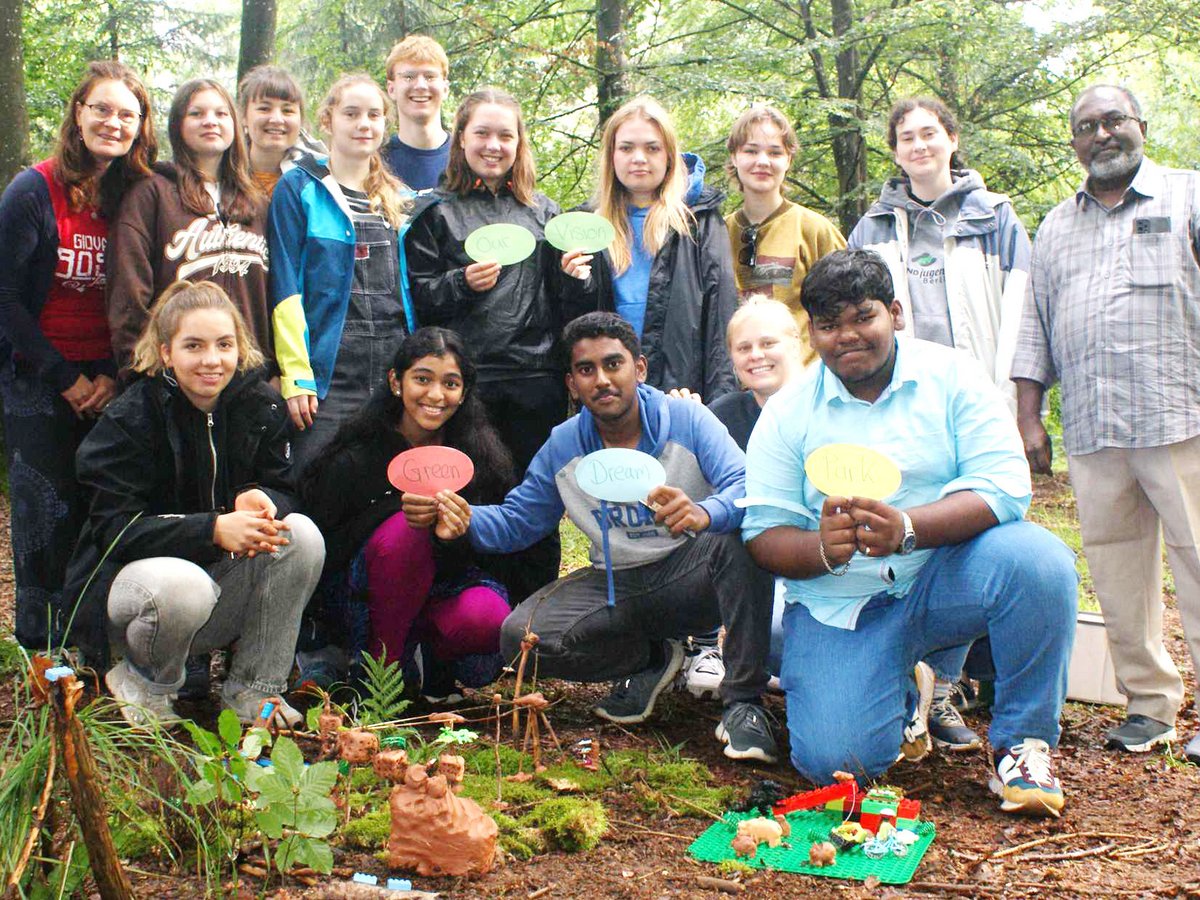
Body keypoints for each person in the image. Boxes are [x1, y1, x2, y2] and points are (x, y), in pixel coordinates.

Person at [742, 248, 1077, 816]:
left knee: (1039, 561)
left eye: (862, 317)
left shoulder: (952, 377)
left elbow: (1004, 487)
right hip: (843, 604)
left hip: (941, 577)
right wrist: (822, 548)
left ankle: (1022, 741)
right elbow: (762, 534)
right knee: (836, 760)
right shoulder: (788, 410)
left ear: (894, 312)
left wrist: (908, 528)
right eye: (828, 325)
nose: (847, 336)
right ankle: (909, 684)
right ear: (812, 333)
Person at [434, 311, 777, 762]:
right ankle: (652, 659)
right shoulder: (564, 444)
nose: (601, 380)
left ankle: (743, 704)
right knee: (522, 640)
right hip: (619, 584)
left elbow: (746, 486)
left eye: (613, 364)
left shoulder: (687, 420)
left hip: (693, 571)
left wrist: (703, 512)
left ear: (639, 368)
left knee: (742, 539)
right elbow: (520, 521)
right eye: (585, 370)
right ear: (572, 384)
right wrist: (466, 519)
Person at [1012, 84, 1200, 765]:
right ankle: (1150, 707)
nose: (1102, 134)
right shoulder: (1057, 226)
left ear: (1140, 126)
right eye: (1087, 126)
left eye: (1113, 120)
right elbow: (1034, 327)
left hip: (1181, 416)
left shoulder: (1188, 196)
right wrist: (1029, 415)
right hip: (1096, 430)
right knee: (1119, 574)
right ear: (1075, 142)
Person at [848, 95, 1034, 750]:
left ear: (952, 139)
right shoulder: (872, 225)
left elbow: (1021, 309)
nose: (919, 145)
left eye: (930, 133)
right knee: (915, 535)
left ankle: (948, 689)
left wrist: (1016, 400)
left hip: (979, 400)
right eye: (906, 136)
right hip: (905, 408)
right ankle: (911, 684)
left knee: (973, 535)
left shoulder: (996, 218)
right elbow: (852, 316)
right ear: (895, 150)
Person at [65, 280, 324, 728]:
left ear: (239, 347)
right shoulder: (129, 418)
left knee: (300, 534)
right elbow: (115, 533)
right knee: (185, 584)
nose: (211, 360)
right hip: (137, 597)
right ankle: (144, 681)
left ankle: (255, 690)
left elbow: (286, 488)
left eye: (224, 345)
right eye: (194, 345)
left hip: (217, 593)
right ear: (166, 352)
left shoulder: (259, 405)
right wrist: (213, 528)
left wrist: (266, 498)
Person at [404, 87, 588, 600]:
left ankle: (530, 625)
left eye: (505, 135)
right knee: (465, 496)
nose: (493, 144)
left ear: (519, 143)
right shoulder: (435, 212)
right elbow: (415, 299)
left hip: (535, 382)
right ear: (461, 138)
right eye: (482, 133)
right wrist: (461, 283)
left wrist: (576, 278)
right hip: (465, 385)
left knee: (533, 502)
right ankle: (469, 615)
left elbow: (569, 308)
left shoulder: (545, 214)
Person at [0, 61, 156, 651]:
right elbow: (7, 298)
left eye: (127, 114)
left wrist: (116, 377)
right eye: (103, 109)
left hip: (114, 379)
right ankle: (40, 650)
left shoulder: (135, 194)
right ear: (78, 113)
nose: (113, 123)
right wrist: (65, 378)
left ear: (141, 127)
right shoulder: (33, 189)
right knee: (45, 512)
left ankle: (94, 644)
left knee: (104, 513)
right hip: (39, 375)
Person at [300, 327, 515, 701]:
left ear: (464, 393)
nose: (435, 395)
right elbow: (323, 547)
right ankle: (384, 677)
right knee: (405, 529)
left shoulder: (479, 457)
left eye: (450, 383)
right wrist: (393, 514)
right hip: (362, 600)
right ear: (395, 382)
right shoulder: (355, 455)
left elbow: (497, 553)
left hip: (442, 591)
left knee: (486, 620)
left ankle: (436, 668)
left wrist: (456, 535)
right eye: (422, 379)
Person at [269, 73, 414, 477]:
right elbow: (285, 287)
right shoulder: (299, 188)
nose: (363, 123)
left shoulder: (400, 201)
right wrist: (297, 376)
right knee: (316, 481)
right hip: (328, 373)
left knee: (386, 485)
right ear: (328, 120)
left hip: (392, 371)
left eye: (373, 115)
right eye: (351, 113)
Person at [679, 297, 808, 698]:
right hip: (750, 562)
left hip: (814, 558)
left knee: (783, 636)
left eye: (768, 343)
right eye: (744, 347)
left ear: (797, 343)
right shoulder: (722, 415)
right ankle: (703, 649)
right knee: (769, 633)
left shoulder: (827, 406)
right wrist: (688, 431)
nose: (756, 356)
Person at [568, 97, 737, 401]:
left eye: (652, 148)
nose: (639, 158)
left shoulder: (699, 220)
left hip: (683, 392)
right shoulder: (583, 226)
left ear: (669, 156)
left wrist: (719, 403)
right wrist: (572, 283)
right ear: (612, 156)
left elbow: (720, 318)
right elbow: (570, 324)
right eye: (627, 148)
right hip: (607, 393)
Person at [107, 78, 270, 373]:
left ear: (235, 124)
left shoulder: (257, 203)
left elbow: (278, 294)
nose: (210, 121)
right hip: (174, 376)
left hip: (249, 375)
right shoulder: (151, 194)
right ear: (178, 125)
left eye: (221, 114)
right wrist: (142, 370)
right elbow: (128, 293)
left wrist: (275, 371)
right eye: (196, 114)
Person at [724, 105, 845, 365]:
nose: (762, 161)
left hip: (805, 385)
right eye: (751, 150)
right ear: (734, 156)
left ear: (788, 159)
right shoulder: (717, 234)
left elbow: (844, 312)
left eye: (774, 152)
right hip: (737, 387)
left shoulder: (814, 230)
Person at [237, 65, 321, 198]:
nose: (277, 119)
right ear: (243, 117)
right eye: (264, 108)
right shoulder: (223, 175)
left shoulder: (317, 180)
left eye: (287, 111)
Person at [382, 35, 451, 191]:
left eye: (430, 77)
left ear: (445, 88)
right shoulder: (375, 164)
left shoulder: (466, 158)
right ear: (391, 89)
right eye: (408, 77)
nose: (420, 85)